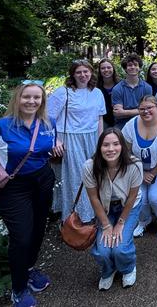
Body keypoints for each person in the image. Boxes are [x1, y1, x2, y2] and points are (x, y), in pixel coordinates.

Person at [0, 82, 64, 307]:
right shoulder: (0, 127)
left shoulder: (49, 123)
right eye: (27, 97)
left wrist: (56, 146)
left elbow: (48, 149)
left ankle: (28, 269)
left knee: (38, 230)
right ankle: (18, 289)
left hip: (42, 179)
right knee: (21, 237)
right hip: (13, 187)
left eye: (37, 98)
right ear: (17, 99)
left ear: (42, 101)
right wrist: (3, 167)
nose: (31, 101)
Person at [84, 128, 143, 291]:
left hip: (128, 206)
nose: (111, 149)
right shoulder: (90, 166)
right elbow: (94, 198)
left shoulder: (135, 165)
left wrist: (121, 223)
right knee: (102, 250)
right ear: (99, 147)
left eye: (116, 144)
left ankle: (128, 267)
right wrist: (106, 225)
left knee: (120, 248)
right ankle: (108, 270)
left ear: (123, 146)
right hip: (105, 208)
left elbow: (132, 197)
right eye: (106, 145)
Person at [48, 60, 105, 223]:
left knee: (93, 176)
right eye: (79, 72)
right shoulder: (63, 92)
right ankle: (75, 216)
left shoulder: (97, 92)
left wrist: (100, 142)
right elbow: (48, 118)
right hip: (70, 138)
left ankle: (92, 212)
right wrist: (55, 141)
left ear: (91, 73)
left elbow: (99, 118)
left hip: (92, 138)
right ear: (73, 74)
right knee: (76, 178)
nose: (83, 75)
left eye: (86, 71)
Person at [121, 95, 157, 240]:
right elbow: (126, 153)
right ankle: (144, 221)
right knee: (139, 197)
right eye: (142, 109)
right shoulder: (129, 126)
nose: (146, 111)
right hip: (137, 165)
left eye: (149, 108)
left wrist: (152, 173)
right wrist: (142, 172)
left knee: (155, 196)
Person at [112, 53, 152, 129]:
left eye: (136, 65)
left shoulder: (147, 88)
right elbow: (118, 113)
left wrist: (124, 112)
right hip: (122, 125)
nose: (133, 67)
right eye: (130, 65)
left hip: (142, 123)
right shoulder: (117, 89)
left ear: (140, 68)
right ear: (125, 69)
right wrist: (140, 110)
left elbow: (148, 110)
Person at [98, 58, 120, 129]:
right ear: (99, 71)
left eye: (109, 67)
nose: (106, 70)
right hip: (102, 120)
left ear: (113, 69)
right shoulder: (96, 87)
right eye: (103, 68)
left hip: (119, 120)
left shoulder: (120, 85)